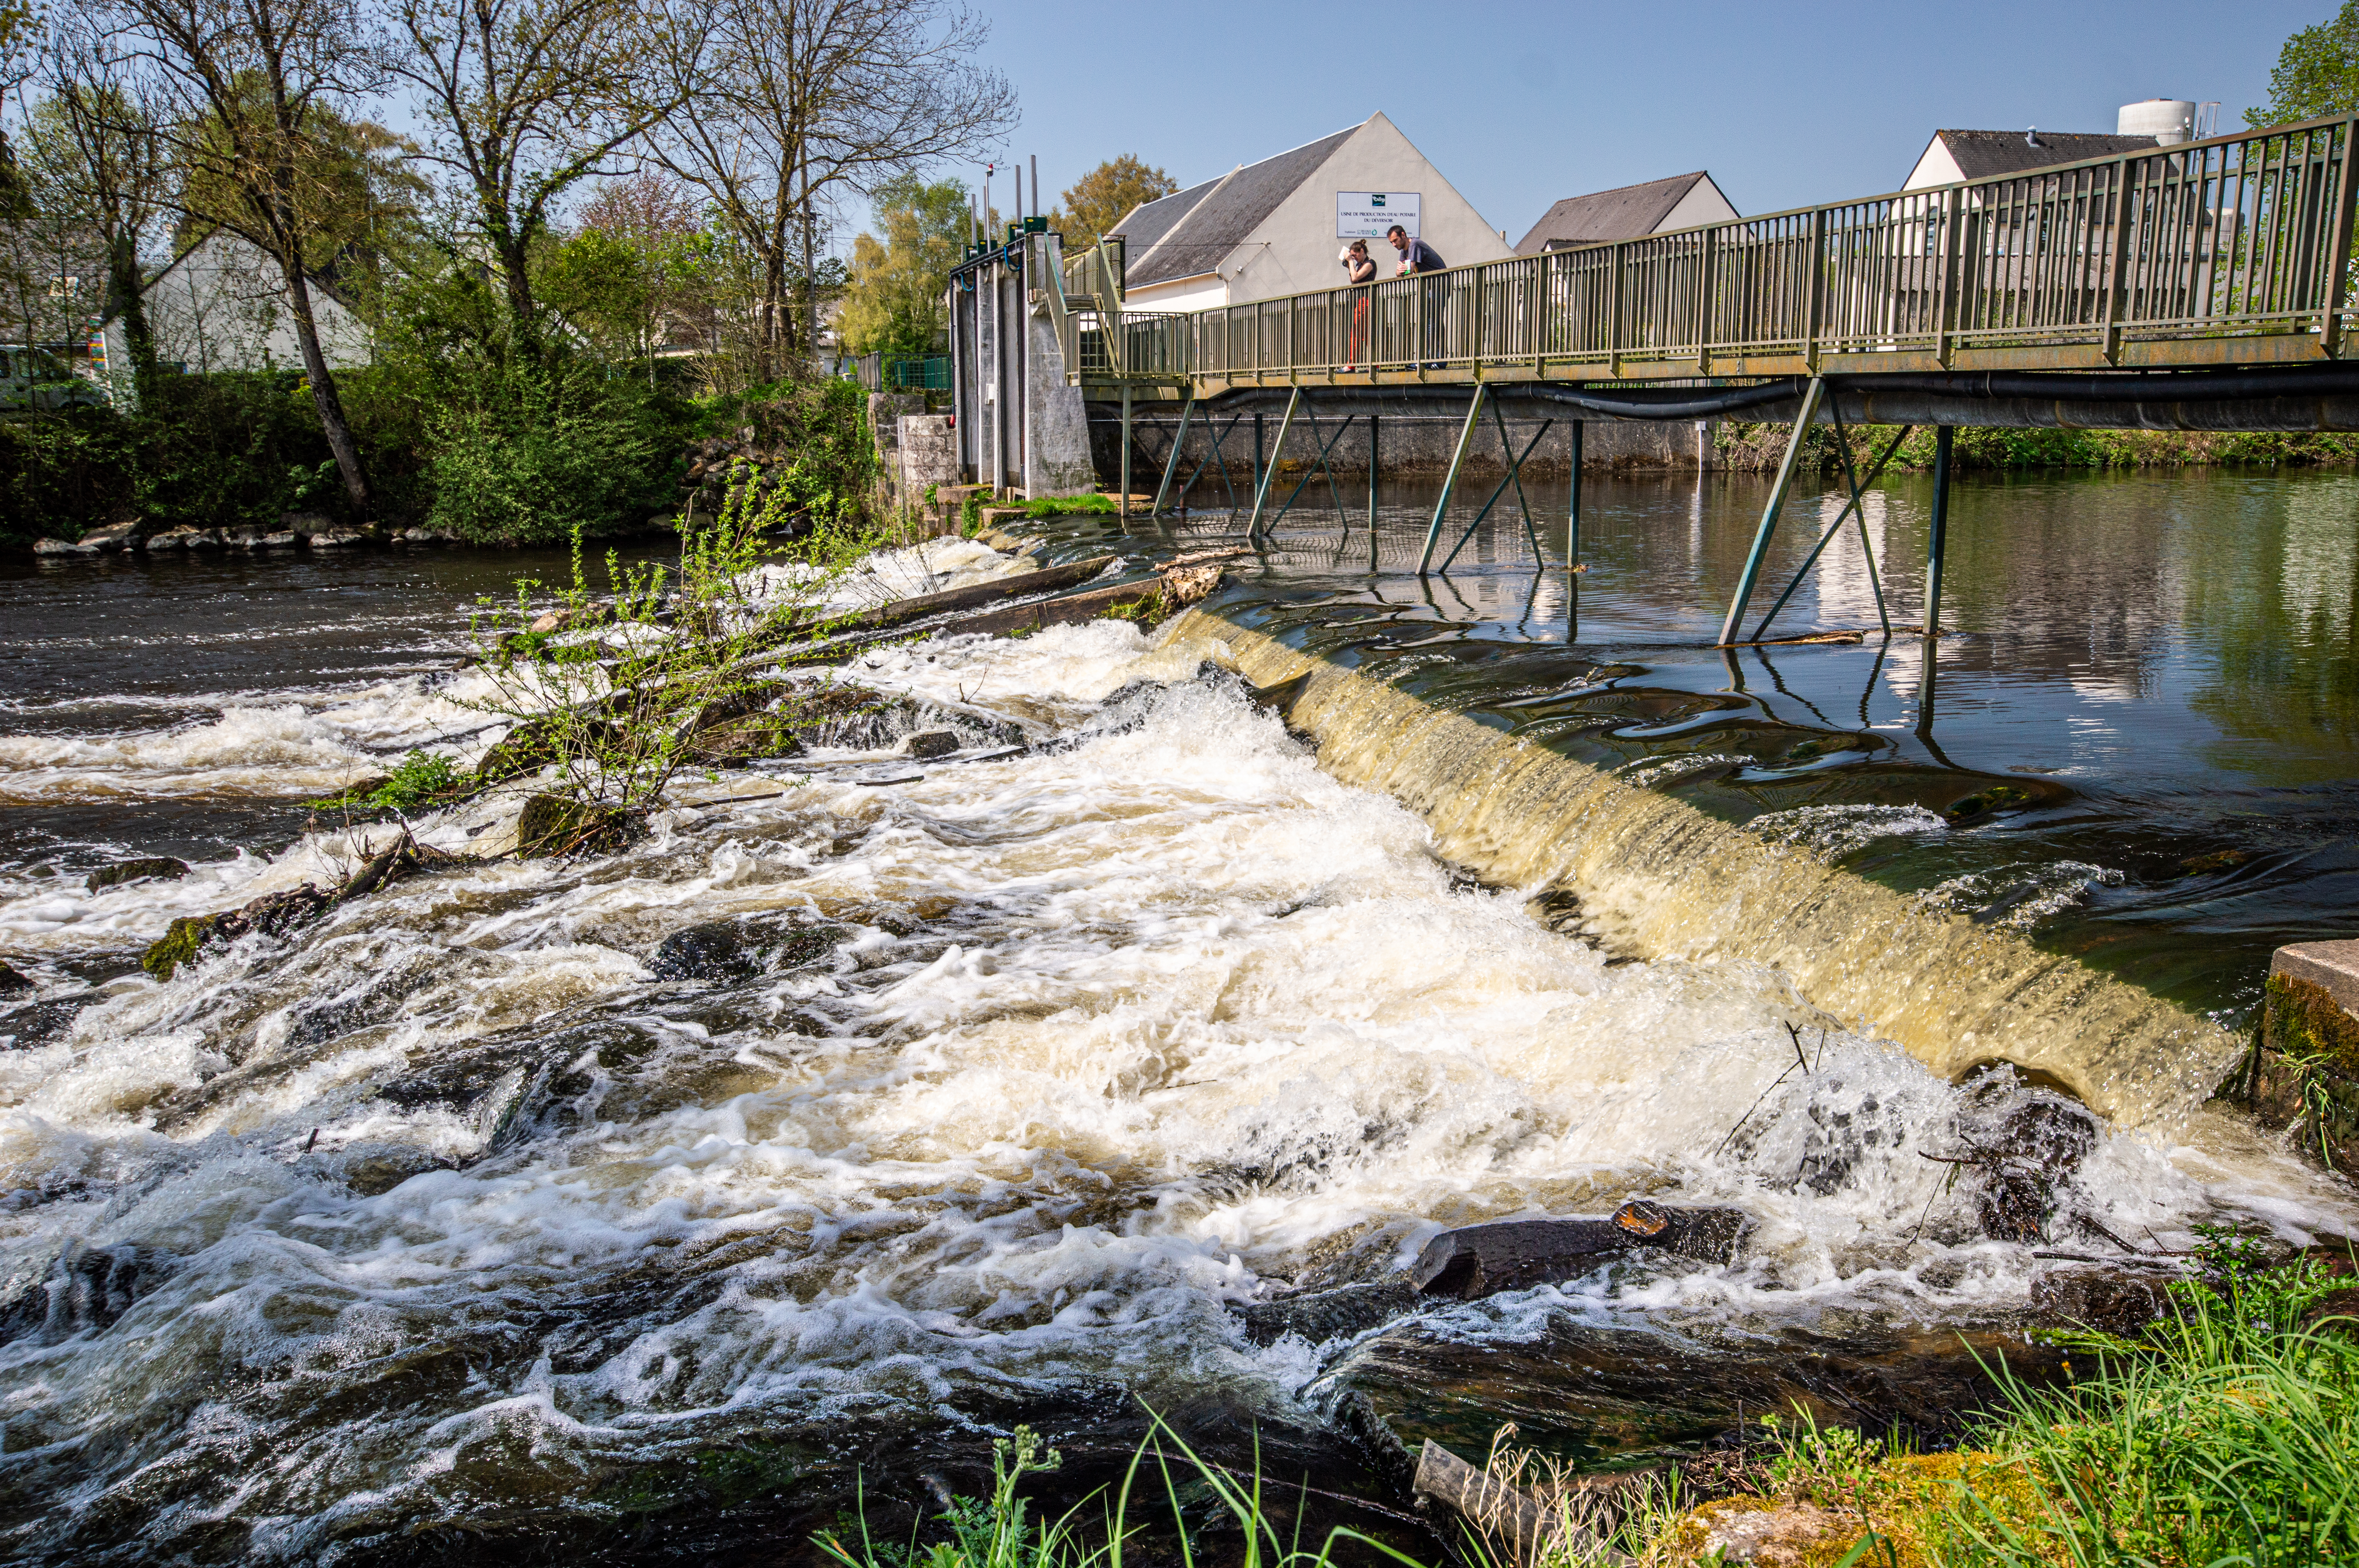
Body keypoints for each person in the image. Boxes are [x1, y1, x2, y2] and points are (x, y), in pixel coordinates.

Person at [1387, 225, 1448, 367]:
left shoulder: (1414, 244)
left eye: (1395, 240)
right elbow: (1399, 274)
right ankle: (1428, 359)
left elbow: (1407, 271)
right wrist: (1401, 271)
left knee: (1434, 321)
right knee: (1428, 322)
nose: (1394, 244)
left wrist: (1403, 270)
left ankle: (1439, 359)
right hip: (1430, 287)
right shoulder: (1405, 251)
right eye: (1391, 242)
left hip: (1440, 285)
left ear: (1403, 235)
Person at [1340, 239, 1377, 369]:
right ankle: (1372, 363)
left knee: (1358, 331)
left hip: (1365, 301)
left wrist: (1350, 262)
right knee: (1362, 332)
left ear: (1362, 251)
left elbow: (1356, 278)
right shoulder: (1360, 265)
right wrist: (1350, 266)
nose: (1354, 258)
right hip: (1359, 301)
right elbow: (1353, 281)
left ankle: (1354, 364)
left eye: (1355, 255)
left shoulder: (1370, 263)